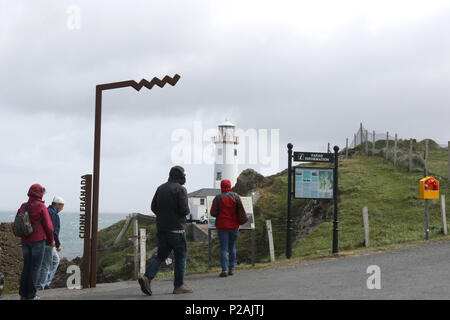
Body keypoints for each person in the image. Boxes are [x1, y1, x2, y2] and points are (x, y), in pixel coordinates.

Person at [138, 166, 193, 295]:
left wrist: (163, 216)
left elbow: (153, 206)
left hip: (162, 229)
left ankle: (147, 277)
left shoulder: (161, 188)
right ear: (180, 175)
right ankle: (179, 286)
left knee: (161, 256)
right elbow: (184, 210)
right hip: (177, 230)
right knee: (181, 256)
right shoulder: (181, 189)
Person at [17, 184, 54, 300]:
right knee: (35, 268)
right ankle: (32, 295)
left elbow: (18, 221)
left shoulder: (23, 206)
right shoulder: (41, 206)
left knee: (26, 267)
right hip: (38, 240)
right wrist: (51, 239)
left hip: (25, 240)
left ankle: (23, 295)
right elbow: (48, 226)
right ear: (40, 193)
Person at [210, 179, 243, 277]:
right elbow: (240, 210)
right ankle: (231, 269)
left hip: (222, 225)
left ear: (221, 186)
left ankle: (224, 270)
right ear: (230, 186)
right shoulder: (236, 196)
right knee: (232, 247)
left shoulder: (218, 198)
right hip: (234, 225)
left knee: (223, 248)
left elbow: (213, 213)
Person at [38, 196, 64, 290]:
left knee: (55, 261)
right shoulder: (53, 214)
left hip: (43, 240)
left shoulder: (47, 210)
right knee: (46, 264)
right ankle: (42, 285)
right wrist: (58, 244)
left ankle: (45, 283)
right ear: (56, 204)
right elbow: (53, 230)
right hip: (49, 242)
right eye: (62, 205)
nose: (62, 208)